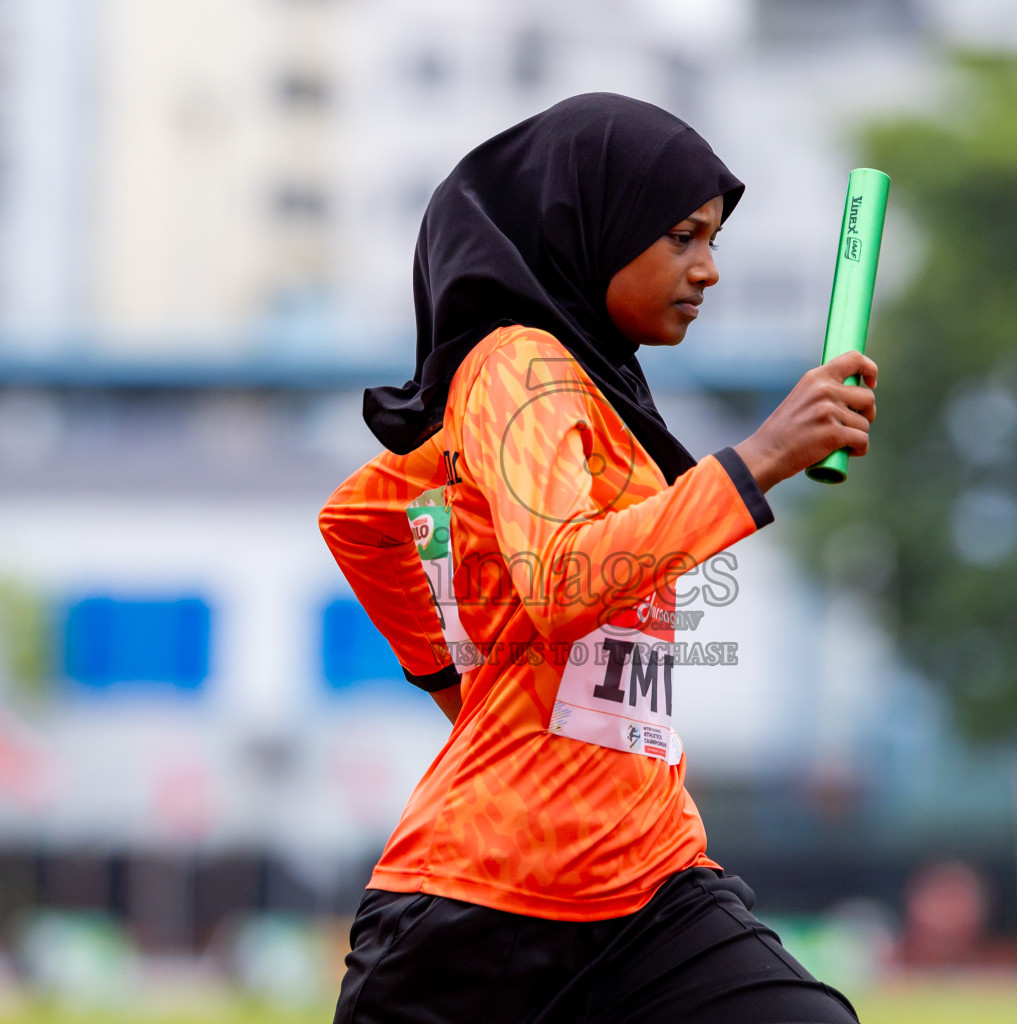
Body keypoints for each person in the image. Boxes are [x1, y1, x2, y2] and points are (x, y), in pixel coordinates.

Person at [320, 93, 877, 1023]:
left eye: (713, 240)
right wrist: (760, 460)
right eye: (681, 237)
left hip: (648, 883)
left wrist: (468, 685)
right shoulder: (517, 366)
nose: (707, 270)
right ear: (593, 227)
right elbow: (557, 578)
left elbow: (361, 516)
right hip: (479, 904)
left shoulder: (598, 391)